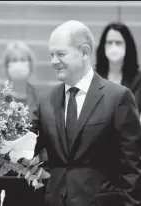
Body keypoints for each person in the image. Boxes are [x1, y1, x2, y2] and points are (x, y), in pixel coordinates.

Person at [23, 20, 141, 206]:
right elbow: (25, 147)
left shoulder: (118, 98)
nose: (54, 61)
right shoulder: (46, 101)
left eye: (61, 54)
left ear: (85, 52)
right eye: (52, 54)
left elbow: (132, 168)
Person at [96, 22, 139, 89]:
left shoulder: (137, 80)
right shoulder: (93, 78)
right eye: (109, 42)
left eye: (118, 42)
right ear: (103, 46)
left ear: (127, 46)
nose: (114, 47)